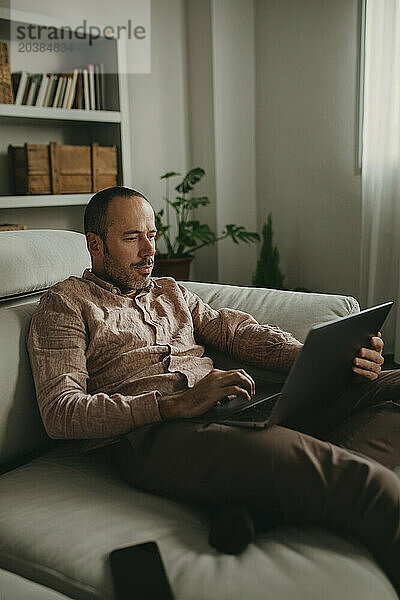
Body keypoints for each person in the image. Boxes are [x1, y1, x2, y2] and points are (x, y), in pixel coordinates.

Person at [27, 187, 400, 594]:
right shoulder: (65, 304)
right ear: (95, 246)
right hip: (164, 435)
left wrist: (320, 358)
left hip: (239, 409)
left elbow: (236, 331)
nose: (148, 250)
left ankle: (260, 507)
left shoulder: (170, 291)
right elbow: (60, 412)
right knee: (371, 487)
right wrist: (176, 404)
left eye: (152, 234)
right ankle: (282, 490)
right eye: (132, 238)